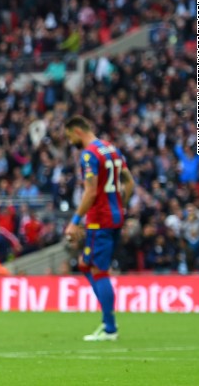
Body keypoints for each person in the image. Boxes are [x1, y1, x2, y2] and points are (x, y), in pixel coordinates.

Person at [64, 115, 134, 342]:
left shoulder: (89, 154)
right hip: (114, 217)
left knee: (98, 271)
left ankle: (109, 327)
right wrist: (121, 207)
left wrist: (75, 220)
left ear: (77, 132)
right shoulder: (111, 149)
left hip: (99, 220)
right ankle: (107, 320)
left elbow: (91, 191)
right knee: (85, 264)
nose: (70, 142)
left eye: (69, 137)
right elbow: (129, 183)